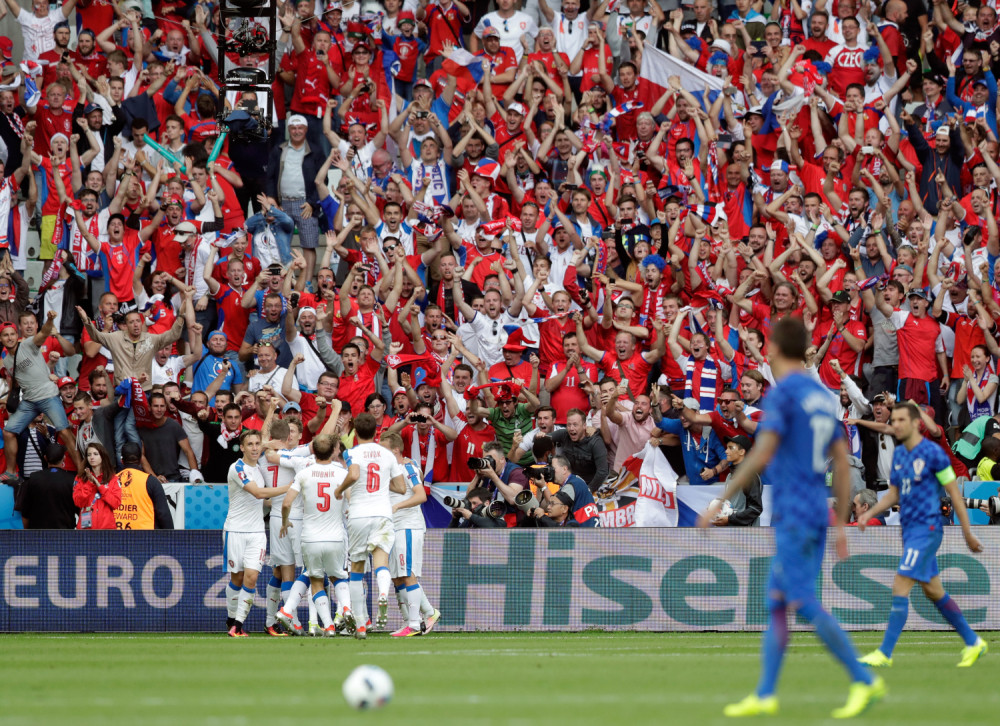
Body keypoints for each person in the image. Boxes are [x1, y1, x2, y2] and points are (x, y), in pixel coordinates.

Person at [699, 317, 884, 719]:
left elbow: (761, 454)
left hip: (794, 513)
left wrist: (720, 499)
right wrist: (838, 524)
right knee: (777, 600)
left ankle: (864, 679)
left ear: (775, 349)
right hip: (816, 509)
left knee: (800, 600)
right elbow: (841, 460)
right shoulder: (821, 396)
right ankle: (765, 692)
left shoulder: (784, 394)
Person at [856, 402, 988, 668]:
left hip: (927, 530)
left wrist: (967, 532)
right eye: (894, 421)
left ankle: (884, 653)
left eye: (901, 420)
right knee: (934, 591)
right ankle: (974, 642)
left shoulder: (934, 454)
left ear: (916, 423)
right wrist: (869, 514)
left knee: (900, 584)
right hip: (909, 531)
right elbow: (893, 494)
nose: (895, 425)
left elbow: (954, 494)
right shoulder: (900, 455)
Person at [334, 413, 407, 640]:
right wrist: (383, 483)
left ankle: (360, 625)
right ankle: (383, 593)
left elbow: (354, 474)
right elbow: (402, 488)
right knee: (381, 562)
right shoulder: (388, 454)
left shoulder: (352, 452)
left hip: (358, 514)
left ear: (355, 431)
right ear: (376, 431)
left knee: (356, 569)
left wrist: (340, 489)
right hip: (382, 513)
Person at [276, 433, 352, 638]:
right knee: (339, 576)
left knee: (315, 578)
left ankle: (328, 625)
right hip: (335, 536)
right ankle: (346, 608)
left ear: (314, 451)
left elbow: (286, 503)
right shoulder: (342, 473)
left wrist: (285, 521)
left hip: (310, 537)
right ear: (334, 450)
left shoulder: (304, 473)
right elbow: (350, 500)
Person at [224, 429, 291, 637]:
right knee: (237, 578)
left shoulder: (260, 469)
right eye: (250, 444)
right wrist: (289, 488)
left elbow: (263, 500)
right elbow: (258, 493)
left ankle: (237, 625)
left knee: (251, 577)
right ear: (242, 448)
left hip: (257, 532)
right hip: (235, 530)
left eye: (257, 444)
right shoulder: (237, 468)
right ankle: (231, 619)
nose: (254, 448)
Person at [1, 312, 82, 483]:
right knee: (8, 432)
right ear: (1, 339)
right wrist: (8, 399)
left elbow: (44, 333)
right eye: (5, 335)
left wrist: (50, 320)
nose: (10, 338)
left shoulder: (28, 344)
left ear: (17, 335)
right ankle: (11, 472)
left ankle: (82, 472)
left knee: (64, 431)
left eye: (12, 334)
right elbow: (18, 382)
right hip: (29, 401)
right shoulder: (7, 361)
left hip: (48, 396)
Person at [381, 431, 440, 637]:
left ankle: (415, 624)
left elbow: (421, 495)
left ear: (396, 450)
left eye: (384, 449)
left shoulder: (407, 467)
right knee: (397, 577)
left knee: (407, 574)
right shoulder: (392, 469)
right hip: (392, 528)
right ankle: (419, 617)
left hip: (407, 526)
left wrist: (397, 506)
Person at [14, 442, 77, 529]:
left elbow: (25, 513)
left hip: (38, 533)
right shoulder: (72, 480)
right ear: (64, 458)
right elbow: (79, 510)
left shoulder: (33, 478)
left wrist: (28, 533)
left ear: (45, 458)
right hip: (64, 532)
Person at [115, 442, 174, 530]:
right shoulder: (151, 481)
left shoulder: (112, 481)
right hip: (145, 535)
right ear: (140, 460)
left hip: (116, 535)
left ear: (122, 461)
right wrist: (171, 534)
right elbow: (163, 513)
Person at [711, 435, 763, 527]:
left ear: (742, 452)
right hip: (733, 531)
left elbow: (755, 508)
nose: (726, 451)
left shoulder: (750, 475)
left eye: (731, 448)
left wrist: (729, 520)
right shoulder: (729, 476)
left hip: (747, 533)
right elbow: (732, 506)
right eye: (727, 448)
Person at [72, 442, 121, 530]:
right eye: (89, 455)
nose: (91, 457)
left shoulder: (113, 478)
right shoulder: (80, 477)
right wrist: (89, 483)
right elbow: (78, 502)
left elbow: (116, 503)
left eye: (95, 454)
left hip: (107, 528)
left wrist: (100, 486)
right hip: (86, 527)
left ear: (102, 456)